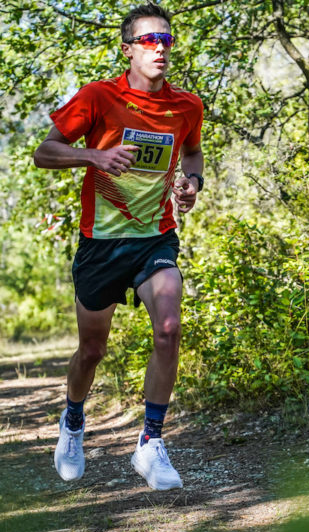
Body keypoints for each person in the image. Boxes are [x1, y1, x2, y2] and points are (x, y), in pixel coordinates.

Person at [33, 2, 204, 491]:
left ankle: (150, 443)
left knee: (168, 329)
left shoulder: (187, 106)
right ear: (128, 49)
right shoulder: (98, 97)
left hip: (155, 238)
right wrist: (94, 155)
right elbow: (44, 152)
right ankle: (73, 421)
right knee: (92, 350)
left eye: (166, 39)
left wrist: (192, 183)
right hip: (101, 244)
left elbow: (192, 153)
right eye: (149, 40)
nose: (159, 48)